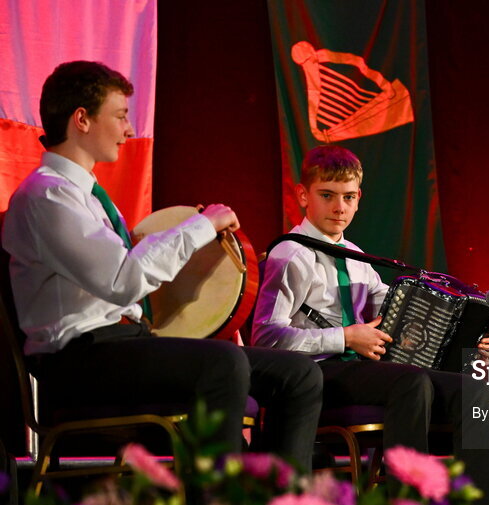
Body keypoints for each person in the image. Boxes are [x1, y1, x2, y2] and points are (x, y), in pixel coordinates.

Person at [1, 61, 322, 471]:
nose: (129, 130)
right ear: (81, 119)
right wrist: (200, 227)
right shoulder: (47, 197)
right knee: (223, 363)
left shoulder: (90, 197)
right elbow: (121, 280)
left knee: (299, 374)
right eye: (119, 116)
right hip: (79, 362)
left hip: (123, 346)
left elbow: (125, 270)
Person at [251, 145, 489, 505]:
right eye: (327, 195)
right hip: (315, 376)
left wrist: (473, 339)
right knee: (410, 382)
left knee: (472, 387)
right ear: (303, 195)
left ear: (359, 200)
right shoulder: (290, 255)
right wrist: (345, 338)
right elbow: (266, 338)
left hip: (360, 372)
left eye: (349, 197)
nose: (339, 207)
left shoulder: (356, 257)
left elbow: (404, 311)